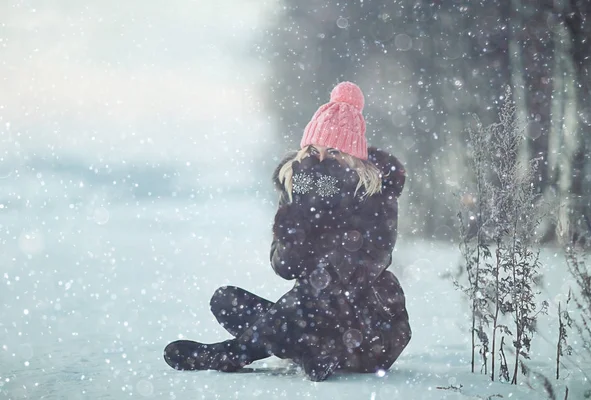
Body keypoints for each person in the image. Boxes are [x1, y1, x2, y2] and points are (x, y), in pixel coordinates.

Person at [164, 81, 411, 382]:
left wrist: (330, 206)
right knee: (226, 300)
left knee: (311, 296)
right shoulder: (301, 188)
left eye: (333, 152)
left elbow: (348, 274)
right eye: (313, 150)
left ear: (352, 158)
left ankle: (233, 353)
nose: (320, 160)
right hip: (311, 321)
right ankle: (313, 352)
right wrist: (300, 215)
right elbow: (285, 267)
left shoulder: (374, 196)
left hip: (367, 334)